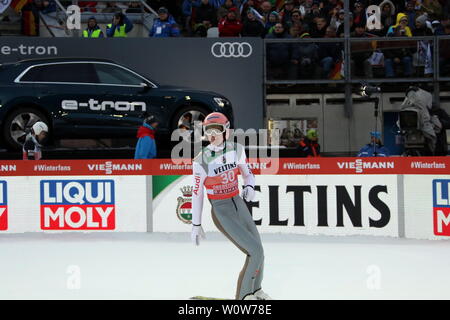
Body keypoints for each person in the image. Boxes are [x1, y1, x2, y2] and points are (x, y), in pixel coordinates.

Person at [191, 112, 270, 300]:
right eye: (208, 130)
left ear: (227, 131)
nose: (212, 135)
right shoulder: (201, 160)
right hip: (221, 209)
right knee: (254, 251)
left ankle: (256, 289)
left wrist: (250, 185)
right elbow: (197, 193)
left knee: (259, 249)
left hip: (238, 202)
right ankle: (243, 296)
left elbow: (248, 173)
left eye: (216, 130)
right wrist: (195, 223)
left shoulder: (237, 149)